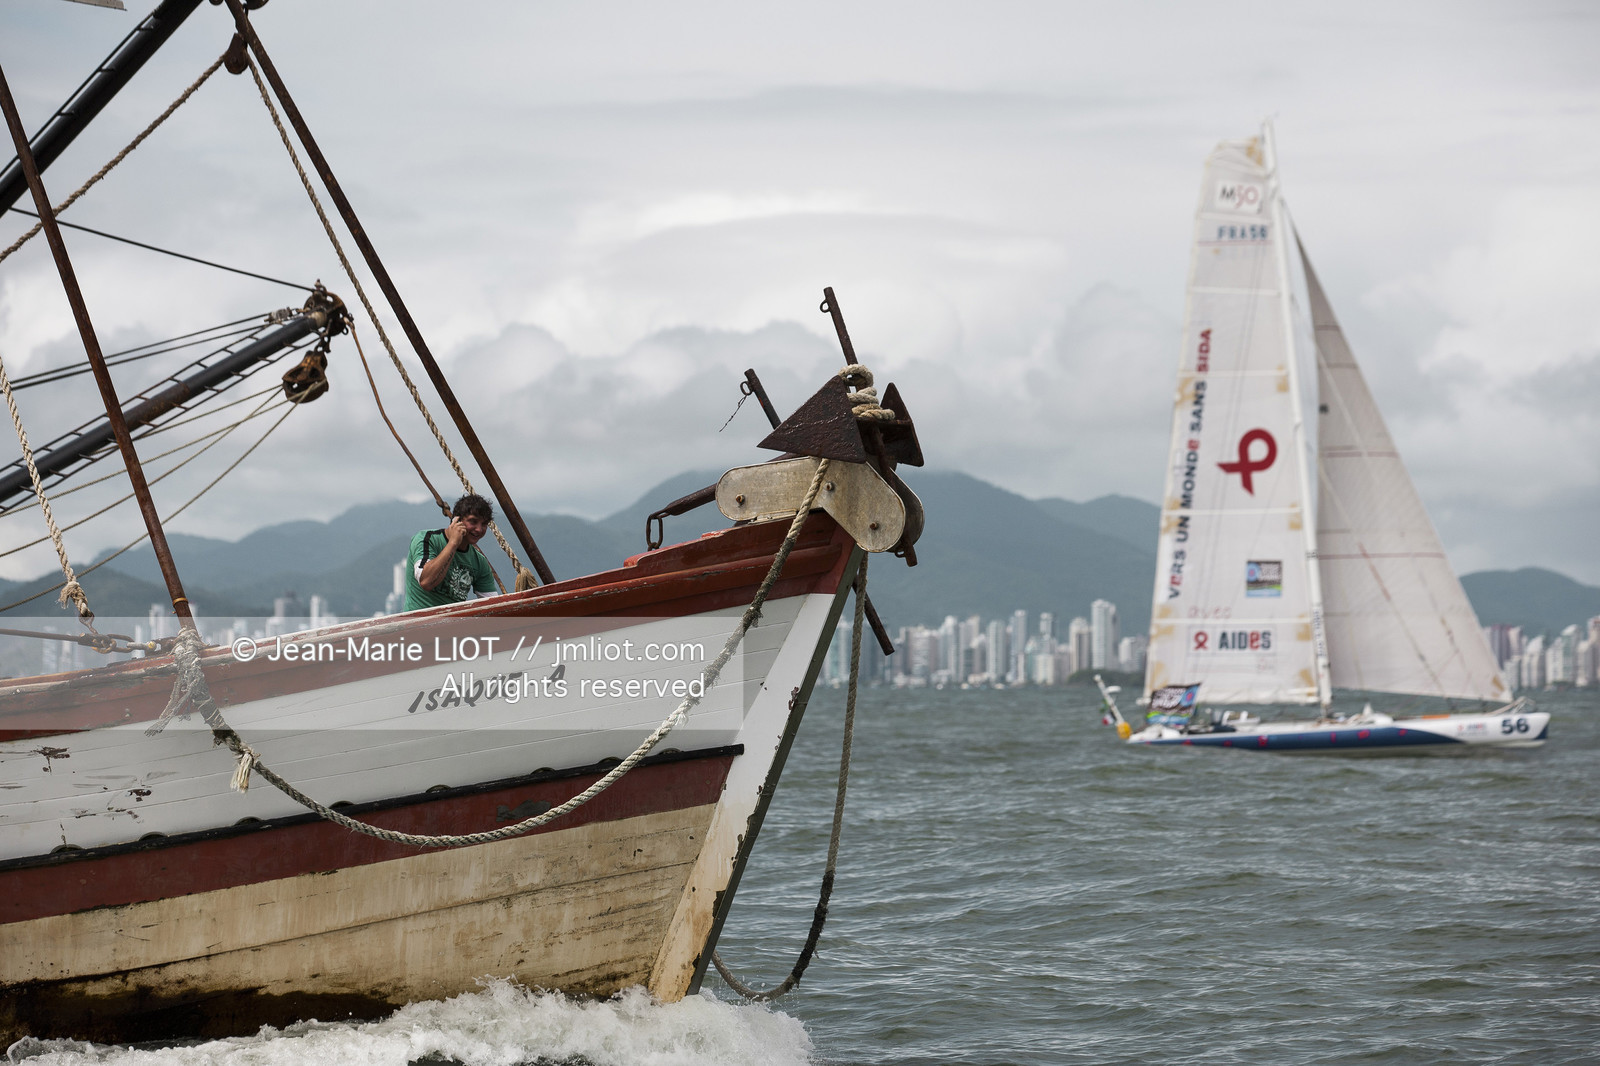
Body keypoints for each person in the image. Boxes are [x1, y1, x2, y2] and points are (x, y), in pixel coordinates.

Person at [404, 494, 498, 611]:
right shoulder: (426, 539)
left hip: (453, 626)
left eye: (484, 524)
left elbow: (492, 607)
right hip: (417, 625)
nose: (479, 529)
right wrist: (453, 543)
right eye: (473, 521)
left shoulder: (480, 562)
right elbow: (426, 581)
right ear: (457, 520)